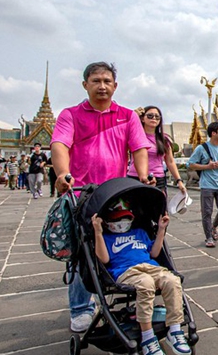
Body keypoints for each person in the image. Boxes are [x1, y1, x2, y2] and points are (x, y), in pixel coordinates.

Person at [52, 61, 152, 333]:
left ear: (115, 86)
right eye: (96, 81)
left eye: (107, 81)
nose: (102, 86)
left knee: (114, 245)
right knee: (81, 251)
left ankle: (115, 294)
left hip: (114, 194)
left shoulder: (127, 115)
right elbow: (60, 144)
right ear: (85, 85)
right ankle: (81, 308)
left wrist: (142, 175)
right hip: (81, 194)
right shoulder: (71, 115)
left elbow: (139, 147)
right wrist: (63, 174)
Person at [92, 199, 190, 355]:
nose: (121, 222)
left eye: (125, 218)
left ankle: (175, 330)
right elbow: (103, 259)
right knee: (146, 283)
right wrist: (97, 232)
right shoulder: (107, 237)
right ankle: (148, 337)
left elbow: (154, 253)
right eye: (117, 219)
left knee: (172, 280)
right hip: (126, 270)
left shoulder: (140, 233)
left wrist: (160, 230)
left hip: (150, 266)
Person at [188, 122, 218, 248]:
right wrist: (208, 166)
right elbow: (191, 164)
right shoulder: (202, 148)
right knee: (207, 212)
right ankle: (208, 237)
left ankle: (213, 227)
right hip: (207, 185)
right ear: (213, 133)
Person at [129, 106, 185, 197]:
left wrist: (179, 180)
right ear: (142, 118)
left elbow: (170, 161)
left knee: (159, 209)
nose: (154, 118)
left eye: (157, 116)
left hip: (158, 178)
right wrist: (132, 116)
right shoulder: (134, 135)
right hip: (135, 177)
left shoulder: (164, 139)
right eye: (150, 116)